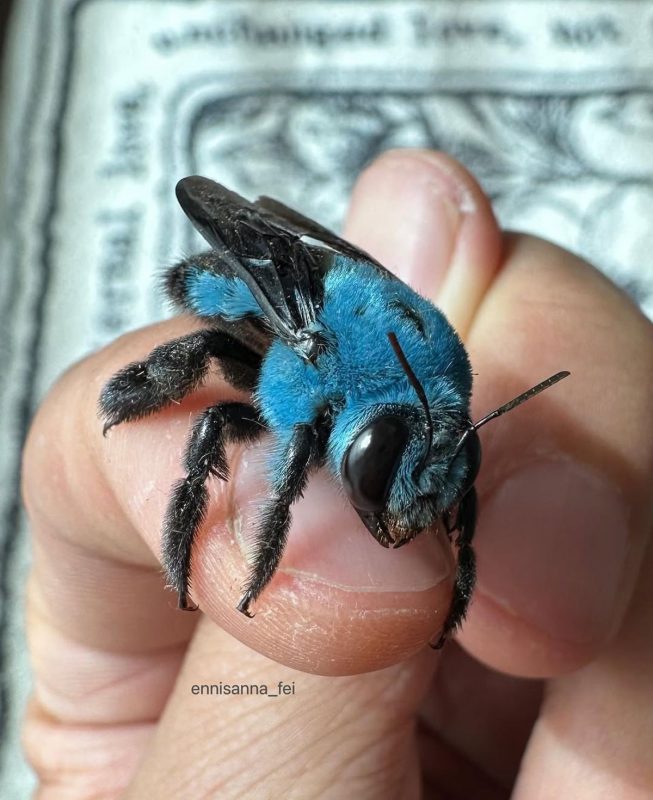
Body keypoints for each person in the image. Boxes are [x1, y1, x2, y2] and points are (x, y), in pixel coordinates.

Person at [21, 150, 653, 798]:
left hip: (348, 317)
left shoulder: (440, 396)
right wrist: (267, 552)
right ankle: (223, 518)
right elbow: (279, 426)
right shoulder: (325, 368)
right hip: (261, 295)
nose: (411, 518)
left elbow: (437, 450)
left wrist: (456, 578)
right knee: (213, 403)